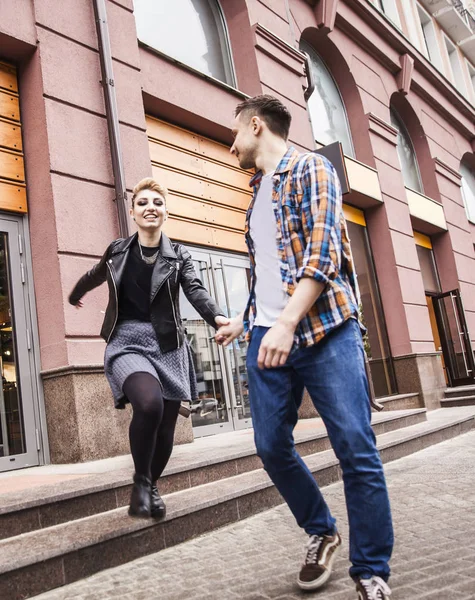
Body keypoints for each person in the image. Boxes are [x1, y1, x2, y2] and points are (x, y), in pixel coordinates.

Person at [215, 95, 393, 600]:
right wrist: (248, 321)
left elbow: (323, 255)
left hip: (324, 332)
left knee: (356, 449)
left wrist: (288, 322)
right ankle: (322, 529)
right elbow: (269, 274)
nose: (232, 146)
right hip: (268, 336)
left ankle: (371, 571)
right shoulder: (256, 193)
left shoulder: (312, 169)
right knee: (271, 446)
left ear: (255, 126)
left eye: (235, 134)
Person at [69, 178, 228, 519]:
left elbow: (196, 290)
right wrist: (76, 293)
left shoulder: (179, 255)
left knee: (167, 428)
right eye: (142, 203)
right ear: (133, 212)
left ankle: (150, 485)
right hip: (126, 342)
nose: (150, 207)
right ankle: (141, 482)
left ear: (165, 211)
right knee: (149, 404)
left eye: (157, 201)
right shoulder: (118, 250)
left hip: (167, 344)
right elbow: (95, 274)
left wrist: (218, 317)